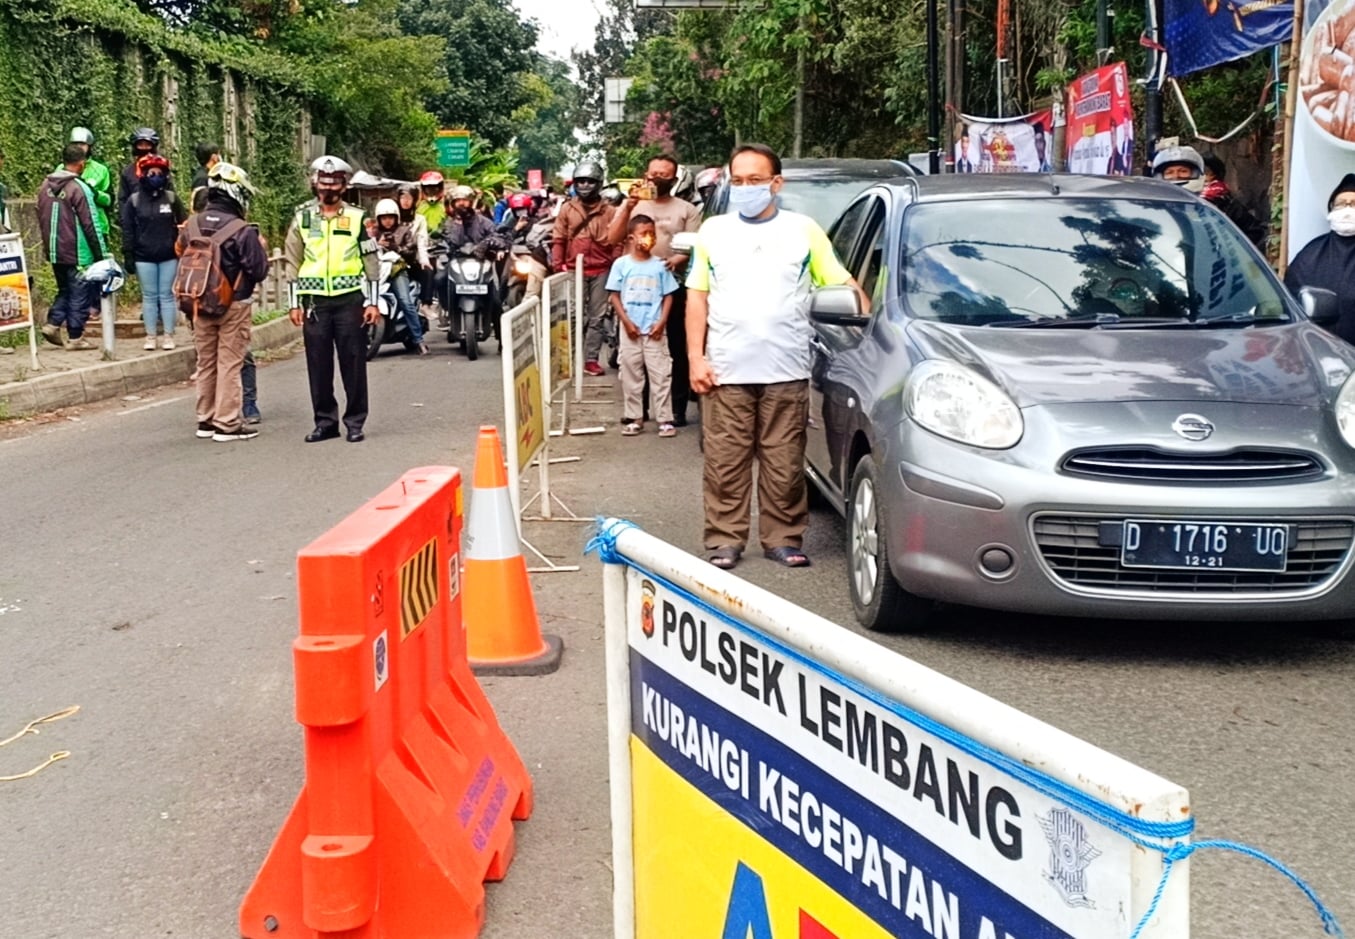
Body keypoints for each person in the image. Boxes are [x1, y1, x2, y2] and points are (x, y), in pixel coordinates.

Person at [686, 143, 867, 571]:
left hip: (787, 370)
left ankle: (783, 538)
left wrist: (874, 327)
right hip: (725, 370)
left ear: (776, 183)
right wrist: (696, 357)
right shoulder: (714, 232)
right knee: (724, 462)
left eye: (756, 180)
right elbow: (697, 297)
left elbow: (842, 283)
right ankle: (725, 540)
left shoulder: (803, 230)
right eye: (739, 180)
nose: (747, 188)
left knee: (785, 462)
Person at [284, 155, 381, 443]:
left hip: (350, 301)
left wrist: (373, 302)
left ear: (344, 185)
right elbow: (292, 260)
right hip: (314, 303)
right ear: (315, 183)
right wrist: (293, 304)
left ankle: (354, 422)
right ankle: (325, 423)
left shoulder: (357, 217)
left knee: (353, 363)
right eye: (323, 182)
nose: (328, 187)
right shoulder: (302, 217)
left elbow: (371, 260)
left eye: (334, 182)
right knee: (318, 364)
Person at [606, 154, 703, 424]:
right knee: (635, 350)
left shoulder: (687, 210)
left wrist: (676, 259)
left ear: (673, 180)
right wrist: (628, 206)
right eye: (653, 174)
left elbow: (695, 245)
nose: (656, 179)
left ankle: (676, 409)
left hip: (671, 287)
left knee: (674, 347)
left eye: (663, 175)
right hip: (635, 290)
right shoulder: (633, 205)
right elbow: (611, 239)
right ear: (645, 174)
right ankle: (639, 412)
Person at [179, 162, 269, 441]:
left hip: (198, 303)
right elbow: (259, 269)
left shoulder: (191, 224)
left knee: (205, 362)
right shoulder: (241, 229)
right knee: (230, 363)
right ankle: (227, 423)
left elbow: (181, 251)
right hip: (234, 304)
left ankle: (204, 420)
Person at [608, 214, 680, 438]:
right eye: (644, 234)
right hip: (630, 330)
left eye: (652, 234)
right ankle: (634, 417)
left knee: (661, 374)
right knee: (631, 375)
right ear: (631, 237)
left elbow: (669, 296)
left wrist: (661, 322)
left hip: (655, 330)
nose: (649, 238)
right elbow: (614, 296)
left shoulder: (660, 265)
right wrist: (627, 322)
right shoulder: (621, 265)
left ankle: (665, 419)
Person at [35, 142, 108, 350]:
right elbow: (91, 223)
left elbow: (38, 212)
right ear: (82, 164)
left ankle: (53, 324)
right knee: (79, 293)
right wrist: (101, 255)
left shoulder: (44, 185)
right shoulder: (79, 188)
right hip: (78, 251)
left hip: (54, 249)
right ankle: (76, 337)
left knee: (64, 289)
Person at [552, 160, 618, 376]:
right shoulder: (567, 209)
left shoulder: (610, 211)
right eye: (581, 181)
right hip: (573, 270)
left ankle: (591, 359)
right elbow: (559, 239)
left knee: (597, 317)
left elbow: (618, 241)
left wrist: (614, 265)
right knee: (572, 315)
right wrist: (557, 266)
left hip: (601, 270)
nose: (585, 186)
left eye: (590, 181)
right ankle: (567, 359)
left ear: (599, 184)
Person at [120, 153, 187, 350]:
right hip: (143, 257)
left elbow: (184, 225)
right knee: (149, 296)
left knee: (166, 295)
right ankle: (150, 336)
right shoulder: (134, 201)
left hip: (168, 256)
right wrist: (128, 254)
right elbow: (127, 229)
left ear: (165, 175)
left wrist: (183, 251)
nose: (155, 176)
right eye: (151, 172)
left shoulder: (172, 199)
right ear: (143, 175)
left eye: (159, 173)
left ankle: (168, 335)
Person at [1285, 174, 1355, 345]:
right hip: (1319, 352)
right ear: (1331, 209)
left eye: (1353, 204)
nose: (1347, 210)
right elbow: (1291, 299)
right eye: (1340, 204)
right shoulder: (1311, 253)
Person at [373, 197, 428, 355]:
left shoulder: (405, 230)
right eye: (384, 218)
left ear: (396, 217)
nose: (388, 221)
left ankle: (419, 340)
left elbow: (410, 252)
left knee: (405, 301)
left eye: (390, 217)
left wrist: (395, 247)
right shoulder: (372, 233)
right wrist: (376, 243)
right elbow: (362, 249)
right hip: (375, 270)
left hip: (397, 270)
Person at [1201, 153, 1268, 250]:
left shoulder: (1224, 200)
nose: (1177, 176)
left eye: (1204, 172)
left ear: (1213, 175)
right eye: (1171, 172)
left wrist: (1232, 250)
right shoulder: (1175, 199)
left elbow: (1255, 231)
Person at [63, 127, 113, 234]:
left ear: (89, 146)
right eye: (75, 144)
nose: (79, 147)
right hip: (69, 226)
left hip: (96, 225)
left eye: (82, 144)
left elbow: (109, 200)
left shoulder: (101, 170)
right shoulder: (61, 168)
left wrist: (94, 193)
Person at [119, 128, 174, 208]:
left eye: (147, 145)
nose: (144, 148)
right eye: (140, 145)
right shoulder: (128, 172)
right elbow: (123, 199)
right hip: (136, 214)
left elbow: (170, 193)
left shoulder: (161, 169)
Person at [190, 142, 221, 213]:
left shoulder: (211, 175)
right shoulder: (202, 178)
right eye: (218, 154)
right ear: (214, 157)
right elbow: (195, 205)